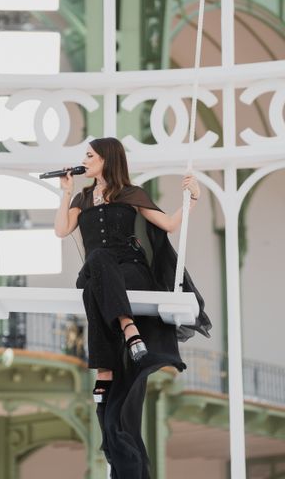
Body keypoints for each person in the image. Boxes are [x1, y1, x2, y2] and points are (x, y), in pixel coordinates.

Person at [54, 137, 211, 479]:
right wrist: (65, 190)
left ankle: (119, 344)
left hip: (129, 270)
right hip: (98, 273)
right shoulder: (81, 197)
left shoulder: (130, 193)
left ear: (107, 159)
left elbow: (168, 224)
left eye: (89, 155)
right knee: (93, 272)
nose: (85, 159)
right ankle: (128, 332)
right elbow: (61, 230)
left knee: (94, 286)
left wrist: (193, 199)